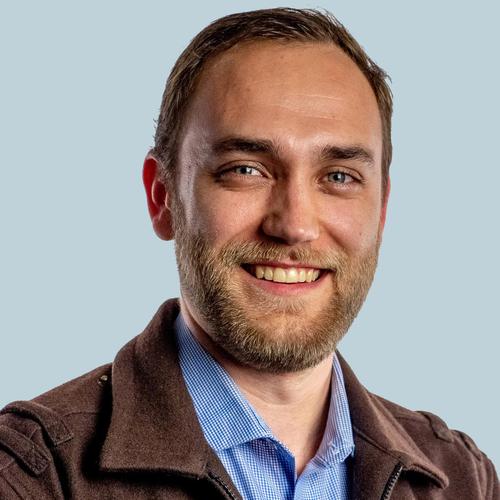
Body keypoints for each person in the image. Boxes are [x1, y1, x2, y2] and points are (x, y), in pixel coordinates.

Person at [0, 7, 497, 499]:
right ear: (163, 197)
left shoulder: (461, 478)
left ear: (381, 210)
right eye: (245, 170)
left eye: (339, 177)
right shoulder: (32, 476)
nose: (295, 226)